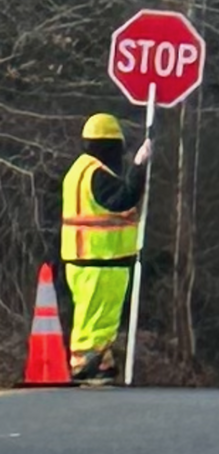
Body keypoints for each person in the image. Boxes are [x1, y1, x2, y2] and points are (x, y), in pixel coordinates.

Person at [61, 113, 152, 385]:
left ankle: (101, 362)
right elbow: (122, 199)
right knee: (98, 317)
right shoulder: (97, 174)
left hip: (82, 258)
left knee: (91, 315)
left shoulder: (77, 171)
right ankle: (86, 363)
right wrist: (139, 167)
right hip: (101, 258)